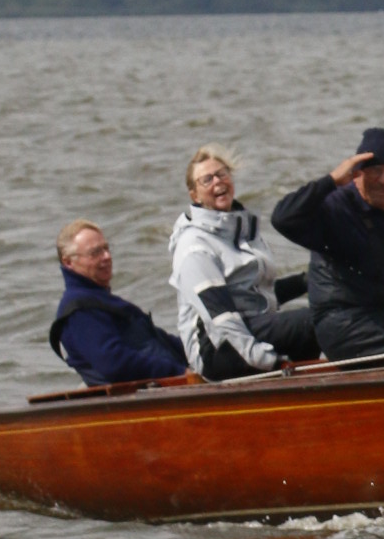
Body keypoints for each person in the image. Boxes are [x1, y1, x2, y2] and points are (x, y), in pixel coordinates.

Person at [271, 128, 384, 361]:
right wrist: (331, 180)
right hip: (343, 324)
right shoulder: (335, 207)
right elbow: (283, 219)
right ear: (356, 173)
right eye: (376, 171)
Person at [169, 146, 318, 379]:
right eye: (207, 179)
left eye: (222, 174)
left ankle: (305, 384)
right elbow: (222, 319)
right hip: (214, 348)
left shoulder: (243, 232)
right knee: (313, 322)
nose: (218, 181)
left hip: (247, 327)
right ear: (194, 196)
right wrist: (268, 361)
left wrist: (310, 280)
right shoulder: (194, 246)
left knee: (322, 312)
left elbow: (258, 296)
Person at [49, 221, 189, 385]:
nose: (106, 257)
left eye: (106, 248)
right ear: (68, 262)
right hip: (144, 394)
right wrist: (178, 372)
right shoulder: (80, 311)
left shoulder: (100, 301)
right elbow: (114, 363)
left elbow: (159, 340)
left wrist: (197, 352)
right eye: (95, 252)